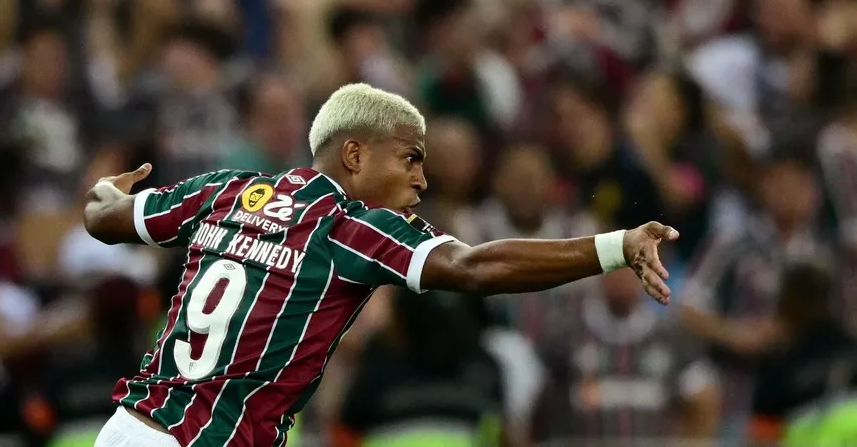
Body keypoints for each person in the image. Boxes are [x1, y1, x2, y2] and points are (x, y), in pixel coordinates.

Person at [83, 83, 679, 447]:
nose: (422, 178)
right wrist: (616, 245)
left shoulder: (227, 190)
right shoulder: (349, 227)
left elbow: (105, 217)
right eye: (410, 159)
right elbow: (472, 269)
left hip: (128, 430)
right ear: (354, 154)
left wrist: (107, 192)